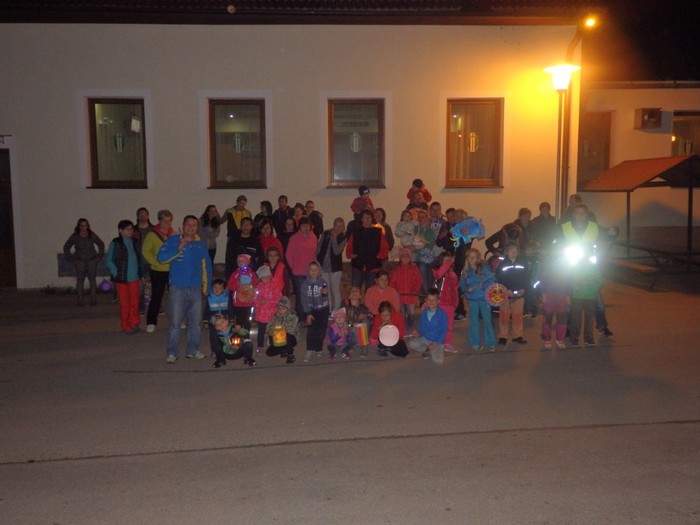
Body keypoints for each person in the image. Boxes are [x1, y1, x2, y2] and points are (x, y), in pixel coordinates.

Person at [158, 215, 213, 364]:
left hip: (195, 289)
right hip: (177, 289)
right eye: (188, 224)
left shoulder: (200, 244)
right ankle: (172, 353)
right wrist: (178, 248)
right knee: (175, 323)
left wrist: (207, 286)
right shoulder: (173, 240)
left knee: (195, 323)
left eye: (194, 225)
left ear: (197, 228)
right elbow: (161, 258)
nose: (191, 227)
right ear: (183, 226)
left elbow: (207, 267)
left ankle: (192, 350)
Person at [558, 204, 603, 347]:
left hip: (590, 290)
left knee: (590, 315)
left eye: (583, 213)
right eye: (577, 213)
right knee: (574, 313)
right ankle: (573, 336)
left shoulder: (594, 227)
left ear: (587, 214)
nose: (580, 216)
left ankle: (589, 337)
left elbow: (598, 276)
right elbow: (556, 243)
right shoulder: (564, 228)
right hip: (574, 283)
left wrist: (613, 232)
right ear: (573, 215)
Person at [105, 220, 143, 334]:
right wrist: (115, 272)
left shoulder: (135, 242)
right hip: (122, 279)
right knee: (125, 303)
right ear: (120, 231)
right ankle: (126, 326)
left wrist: (141, 274)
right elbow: (109, 260)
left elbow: (139, 259)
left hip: (134, 278)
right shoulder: (116, 243)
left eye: (131, 229)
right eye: (128, 229)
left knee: (135, 302)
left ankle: (134, 323)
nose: (130, 231)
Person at [142, 209, 175, 333]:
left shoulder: (174, 234)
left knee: (175, 297)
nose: (167, 223)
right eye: (164, 221)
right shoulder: (152, 234)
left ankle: (176, 319)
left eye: (169, 221)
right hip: (158, 270)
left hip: (172, 270)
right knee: (156, 296)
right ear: (159, 220)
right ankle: (151, 321)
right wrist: (156, 262)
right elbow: (145, 251)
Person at [459, 248, 496, 352]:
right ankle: (474, 342)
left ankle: (490, 342)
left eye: (474, 257)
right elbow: (462, 283)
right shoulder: (465, 270)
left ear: (478, 258)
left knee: (487, 321)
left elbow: (493, 280)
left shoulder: (484, 268)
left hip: (484, 299)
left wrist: (483, 285)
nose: (471, 259)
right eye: (469, 257)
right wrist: (466, 289)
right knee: (473, 322)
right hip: (472, 299)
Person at [63, 218, 105, 306]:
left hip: (91, 260)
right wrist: (71, 259)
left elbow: (100, 244)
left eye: (85, 225)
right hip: (80, 261)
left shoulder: (91, 234)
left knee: (92, 279)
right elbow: (66, 246)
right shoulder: (75, 236)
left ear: (87, 226)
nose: (83, 227)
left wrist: (98, 257)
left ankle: (93, 299)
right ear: (78, 226)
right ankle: (80, 300)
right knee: (80, 280)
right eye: (81, 225)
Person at [495, 241, 529, 346]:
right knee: (504, 316)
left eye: (515, 250)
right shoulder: (502, 265)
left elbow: (527, 278)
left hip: (519, 295)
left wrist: (523, 289)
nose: (513, 252)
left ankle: (517, 336)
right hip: (505, 295)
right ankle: (503, 336)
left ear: (518, 251)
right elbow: (499, 279)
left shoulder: (523, 264)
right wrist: (506, 290)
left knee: (517, 317)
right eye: (511, 250)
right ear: (506, 251)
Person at [345, 209, 389, 291]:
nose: (367, 219)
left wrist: (379, 256)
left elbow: (385, 247)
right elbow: (349, 245)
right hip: (358, 266)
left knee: (371, 291)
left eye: (369, 217)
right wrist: (350, 254)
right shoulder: (355, 231)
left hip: (373, 267)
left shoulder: (378, 232)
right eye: (365, 217)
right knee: (355, 290)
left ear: (372, 219)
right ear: (361, 219)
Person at [286, 217, 318, 320]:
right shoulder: (294, 238)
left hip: (311, 273)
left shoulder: (314, 237)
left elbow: (315, 254)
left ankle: (309, 318)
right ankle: (300, 319)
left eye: (307, 226)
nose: (305, 228)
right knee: (300, 298)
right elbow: (288, 255)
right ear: (299, 227)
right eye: (303, 226)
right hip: (298, 273)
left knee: (310, 297)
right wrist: (294, 267)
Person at [537, 252, 571, 350]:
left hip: (562, 294)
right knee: (547, 318)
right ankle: (547, 340)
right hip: (549, 294)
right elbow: (542, 280)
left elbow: (569, 281)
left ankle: (560, 339)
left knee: (562, 318)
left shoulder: (567, 266)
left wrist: (568, 295)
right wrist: (543, 294)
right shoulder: (547, 264)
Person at [407, 288, 448, 364]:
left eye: (434, 300)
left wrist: (435, 343)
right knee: (411, 344)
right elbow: (422, 326)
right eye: (429, 299)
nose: (431, 302)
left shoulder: (442, 314)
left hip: (436, 341)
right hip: (425, 338)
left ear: (438, 301)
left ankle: (433, 349)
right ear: (426, 301)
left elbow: (443, 331)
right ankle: (427, 349)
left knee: (438, 361)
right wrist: (418, 333)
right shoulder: (424, 312)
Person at [300, 261, 330, 362]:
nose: (313, 272)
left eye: (315, 270)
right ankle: (309, 349)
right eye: (311, 270)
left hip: (323, 309)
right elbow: (304, 300)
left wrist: (324, 294)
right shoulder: (304, 284)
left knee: (321, 330)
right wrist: (308, 313)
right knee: (311, 331)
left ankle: (318, 348)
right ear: (308, 271)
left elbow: (325, 297)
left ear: (319, 271)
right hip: (311, 310)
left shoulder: (323, 282)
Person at [316, 217, 347, 311]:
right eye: (336, 226)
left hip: (335, 268)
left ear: (343, 227)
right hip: (323, 266)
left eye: (340, 226)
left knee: (335, 290)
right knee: (326, 289)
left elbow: (337, 251)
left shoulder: (343, 238)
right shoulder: (326, 233)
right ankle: (328, 310)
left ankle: (336, 311)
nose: (338, 228)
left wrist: (334, 239)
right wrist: (317, 260)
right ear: (333, 226)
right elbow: (319, 247)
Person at [431, 251, 459, 352]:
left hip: (449, 304)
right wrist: (449, 262)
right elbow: (439, 274)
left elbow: (455, 290)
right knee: (437, 324)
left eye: (449, 261)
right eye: (445, 261)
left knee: (448, 325)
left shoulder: (453, 275)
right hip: (439, 303)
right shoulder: (436, 272)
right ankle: (436, 342)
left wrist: (455, 302)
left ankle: (447, 343)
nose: (448, 263)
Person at [389, 247, 422, 331]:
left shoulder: (414, 268)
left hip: (411, 296)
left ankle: (410, 328)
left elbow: (418, 281)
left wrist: (415, 290)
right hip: (400, 297)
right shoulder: (397, 269)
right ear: (400, 258)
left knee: (411, 313)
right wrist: (395, 291)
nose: (405, 259)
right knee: (402, 314)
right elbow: (392, 282)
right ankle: (403, 328)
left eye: (407, 257)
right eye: (403, 257)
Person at [253, 265, 282, 354]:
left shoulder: (274, 286)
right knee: (261, 330)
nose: (266, 279)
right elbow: (254, 297)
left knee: (272, 330)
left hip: (271, 313)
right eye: (263, 278)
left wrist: (269, 302)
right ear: (260, 278)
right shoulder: (258, 287)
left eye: (267, 277)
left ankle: (273, 344)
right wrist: (259, 301)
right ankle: (260, 345)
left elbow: (278, 297)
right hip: (261, 313)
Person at [226, 253, 258, 331]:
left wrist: (249, 287)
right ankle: (239, 336)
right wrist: (238, 285)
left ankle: (246, 336)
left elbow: (256, 285)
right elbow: (230, 286)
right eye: (238, 261)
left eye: (242, 261)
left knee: (247, 320)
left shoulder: (252, 274)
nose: (240, 263)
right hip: (238, 302)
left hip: (249, 302)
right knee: (239, 321)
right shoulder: (235, 274)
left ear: (247, 262)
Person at [203, 278, 234, 357]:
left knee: (226, 335)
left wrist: (231, 319)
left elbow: (230, 309)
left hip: (224, 321)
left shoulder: (226, 298)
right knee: (214, 336)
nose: (217, 289)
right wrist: (205, 321)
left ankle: (227, 349)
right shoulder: (209, 298)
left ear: (223, 289)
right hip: (213, 321)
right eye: (215, 287)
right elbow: (206, 310)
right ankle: (214, 350)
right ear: (212, 288)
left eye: (220, 288)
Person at [225, 216, 263, 280]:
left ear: (251, 227)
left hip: (251, 274)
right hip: (236, 273)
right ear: (240, 226)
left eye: (248, 224)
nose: (246, 226)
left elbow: (260, 258)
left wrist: (255, 271)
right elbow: (229, 258)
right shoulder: (233, 241)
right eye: (244, 224)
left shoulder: (256, 241)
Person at [264, 297, 299, 364]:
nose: (281, 311)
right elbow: (268, 328)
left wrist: (280, 329)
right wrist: (272, 331)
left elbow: (292, 329)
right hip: (278, 340)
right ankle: (283, 349)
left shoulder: (293, 317)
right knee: (269, 353)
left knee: (286, 336)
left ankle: (290, 355)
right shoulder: (275, 317)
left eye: (283, 309)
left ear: (287, 309)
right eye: (279, 308)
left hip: (291, 338)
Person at [133, 207, 154, 315]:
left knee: (153, 285)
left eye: (144, 214)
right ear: (137, 216)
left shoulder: (153, 229)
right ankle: (141, 306)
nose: (142, 216)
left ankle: (155, 306)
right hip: (139, 260)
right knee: (140, 285)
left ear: (148, 216)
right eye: (140, 214)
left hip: (152, 260)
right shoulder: (133, 230)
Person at [413, 210, 437, 299]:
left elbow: (429, 245)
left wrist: (416, 248)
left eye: (423, 217)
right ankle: (422, 298)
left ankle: (427, 297)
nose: (421, 219)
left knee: (425, 279)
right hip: (415, 258)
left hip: (424, 259)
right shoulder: (415, 229)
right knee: (418, 280)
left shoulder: (430, 231)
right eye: (419, 217)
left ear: (427, 218)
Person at [344, 286, 371, 358]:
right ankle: (351, 343)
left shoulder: (363, 307)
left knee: (365, 322)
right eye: (352, 291)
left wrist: (355, 323)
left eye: (356, 291)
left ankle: (364, 346)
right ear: (349, 297)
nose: (354, 292)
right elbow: (344, 321)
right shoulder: (345, 307)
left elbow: (365, 317)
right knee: (345, 325)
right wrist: (351, 325)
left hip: (359, 330)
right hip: (350, 327)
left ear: (360, 296)